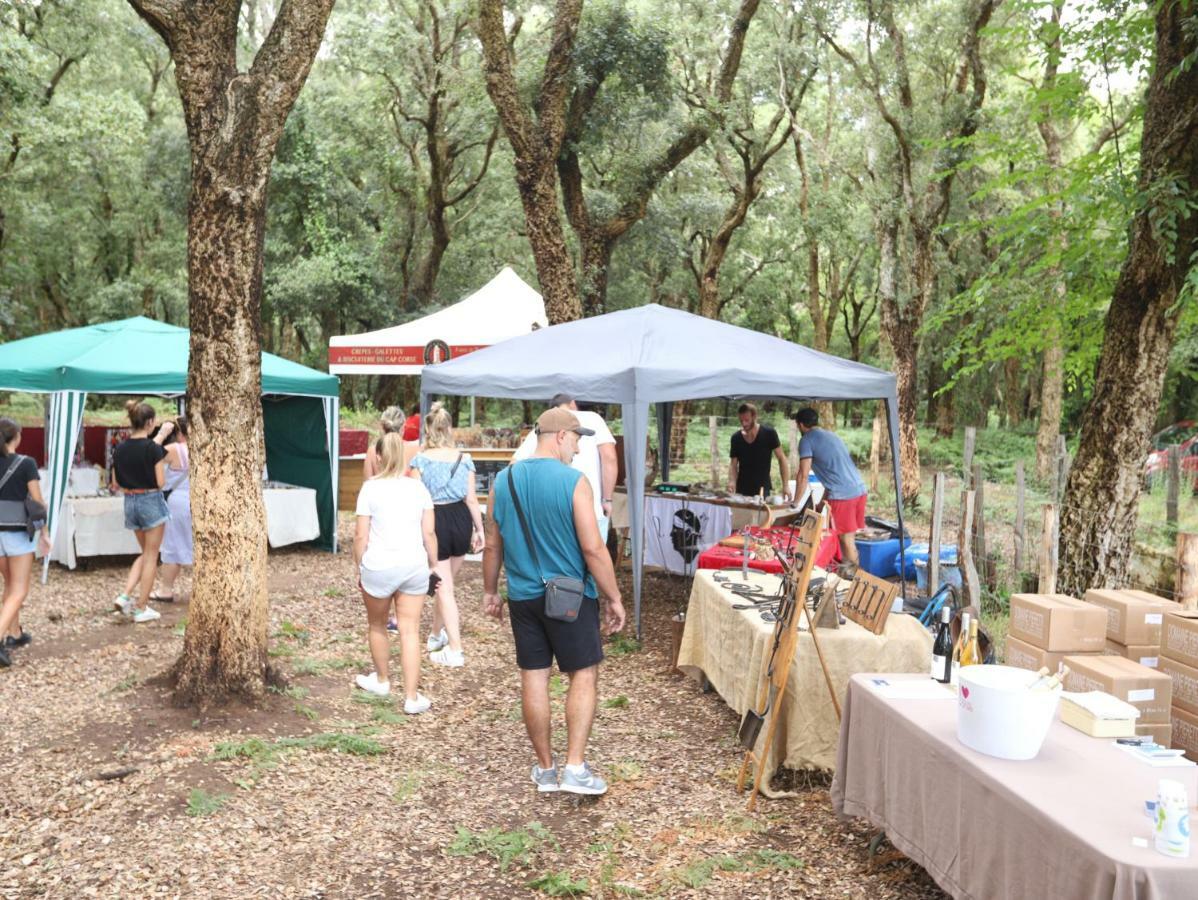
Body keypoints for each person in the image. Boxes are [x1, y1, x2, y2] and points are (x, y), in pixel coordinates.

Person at [483, 407, 626, 796]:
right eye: (577, 439)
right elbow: (593, 548)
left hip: (524, 596)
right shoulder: (574, 482)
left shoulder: (504, 481)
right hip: (569, 597)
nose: (578, 450)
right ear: (560, 436)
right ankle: (575, 768)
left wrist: (490, 591)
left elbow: (492, 544)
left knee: (534, 675)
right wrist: (614, 597)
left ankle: (545, 769)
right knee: (583, 673)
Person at [353, 432, 439, 713]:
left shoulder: (370, 489)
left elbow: (360, 537)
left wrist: (360, 568)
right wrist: (433, 565)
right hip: (413, 566)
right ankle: (412, 697)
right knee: (410, 631)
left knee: (377, 625)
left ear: (378, 457)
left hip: (378, 567)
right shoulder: (419, 489)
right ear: (405, 457)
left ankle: (382, 680)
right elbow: (429, 532)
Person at [409, 403, 485, 667]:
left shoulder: (420, 459)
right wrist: (480, 530)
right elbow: (472, 500)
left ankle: (455, 650)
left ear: (429, 429)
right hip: (461, 520)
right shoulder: (464, 459)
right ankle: (434, 635)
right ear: (450, 428)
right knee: (446, 582)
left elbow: (416, 497)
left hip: (435, 520)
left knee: (444, 588)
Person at [514, 394, 617, 540]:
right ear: (573, 403)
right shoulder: (593, 418)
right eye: (575, 441)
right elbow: (609, 458)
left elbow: (515, 464)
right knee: (593, 555)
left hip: (554, 514)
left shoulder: (544, 427)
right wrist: (607, 500)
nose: (577, 449)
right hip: (591, 509)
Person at [111, 401, 174, 624]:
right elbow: (161, 481)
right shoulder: (153, 449)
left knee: (145, 553)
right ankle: (141, 607)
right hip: (150, 501)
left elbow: (115, 482)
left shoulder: (119, 448)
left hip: (129, 502)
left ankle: (125, 595)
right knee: (151, 556)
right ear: (150, 422)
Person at [0, 418, 51, 668]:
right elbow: (38, 502)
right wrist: (45, 533)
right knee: (19, 589)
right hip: (17, 533)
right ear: (16, 437)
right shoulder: (26, 463)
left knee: (9, 585)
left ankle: (15, 633)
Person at [362, 406, 417, 632]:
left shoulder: (373, 450)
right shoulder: (414, 449)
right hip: (407, 513)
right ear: (404, 426)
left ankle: (382, 613)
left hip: (381, 512)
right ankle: (400, 614)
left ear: (381, 425)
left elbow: (367, 481)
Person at [795, 407, 868, 571]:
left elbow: (803, 474)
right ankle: (849, 577)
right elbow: (834, 476)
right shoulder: (831, 435)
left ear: (800, 424)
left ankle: (852, 582)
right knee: (850, 538)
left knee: (845, 540)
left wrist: (795, 503)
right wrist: (821, 504)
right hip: (859, 490)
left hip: (843, 496)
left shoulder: (806, 440)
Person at [154, 416, 191, 602]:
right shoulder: (205, 448)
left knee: (173, 546)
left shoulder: (175, 449)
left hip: (178, 503)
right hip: (199, 501)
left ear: (178, 433)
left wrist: (161, 434)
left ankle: (166, 590)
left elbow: (149, 452)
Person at [727, 402, 790, 500]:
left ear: (754, 417)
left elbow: (781, 458)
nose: (744, 424)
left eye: (747, 420)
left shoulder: (769, 434)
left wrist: (785, 485)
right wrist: (732, 481)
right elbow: (733, 464)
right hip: (742, 489)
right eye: (741, 420)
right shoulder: (736, 438)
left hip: (762, 489)